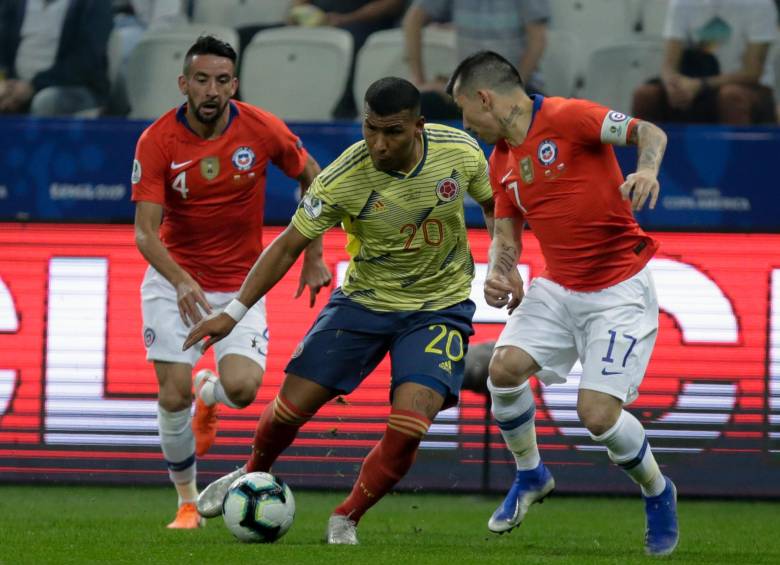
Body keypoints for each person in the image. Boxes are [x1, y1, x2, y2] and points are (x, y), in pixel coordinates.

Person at [183, 76, 496, 544]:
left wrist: (504, 262)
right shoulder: (343, 177)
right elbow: (289, 245)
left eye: (392, 132)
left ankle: (346, 515)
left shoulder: (461, 152)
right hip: (364, 303)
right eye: (370, 129)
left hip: (439, 305)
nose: (378, 143)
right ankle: (251, 472)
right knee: (290, 409)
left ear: (418, 127)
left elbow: (499, 208)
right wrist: (233, 311)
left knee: (410, 426)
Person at [446, 51, 679, 556]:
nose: (468, 126)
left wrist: (646, 171)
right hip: (558, 288)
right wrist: (501, 273)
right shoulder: (501, 159)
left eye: (467, 114)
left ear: (485, 98)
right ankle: (531, 474)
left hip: (618, 289)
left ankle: (658, 490)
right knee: (502, 370)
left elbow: (650, 133)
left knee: (596, 415)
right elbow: (506, 233)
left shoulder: (569, 117)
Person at [131, 35, 330, 529]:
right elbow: (144, 233)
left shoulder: (260, 129)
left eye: (222, 80)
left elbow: (314, 178)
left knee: (242, 390)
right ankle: (186, 502)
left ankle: (210, 395)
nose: (211, 90)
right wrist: (179, 281)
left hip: (243, 285)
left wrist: (313, 252)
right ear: (184, 83)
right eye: (201, 80)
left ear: (234, 84)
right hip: (175, 281)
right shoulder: (157, 141)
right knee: (171, 393)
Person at [632, 0, 778, 125]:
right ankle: (647, 156)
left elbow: (752, 73)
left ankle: (739, 157)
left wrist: (701, 85)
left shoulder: (760, 4)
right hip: (694, 85)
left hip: (747, 88)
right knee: (645, 95)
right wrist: (673, 85)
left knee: (731, 97)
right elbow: (668, 65)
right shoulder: (681, 4)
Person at [402, 0, 549, 119]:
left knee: (544, 116)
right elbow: (413, 19)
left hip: (518, 86)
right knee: (411, 110)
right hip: (468, 89)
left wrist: (508, 91)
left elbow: (537, 41)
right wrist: (419, 80)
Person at [0, 0, 113, 116]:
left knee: (46, 102)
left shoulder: (94, 3)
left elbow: (85, 62)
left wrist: (33, 86)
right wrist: (4, 82)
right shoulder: (13, 3)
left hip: (73, 88)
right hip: (15, 86)